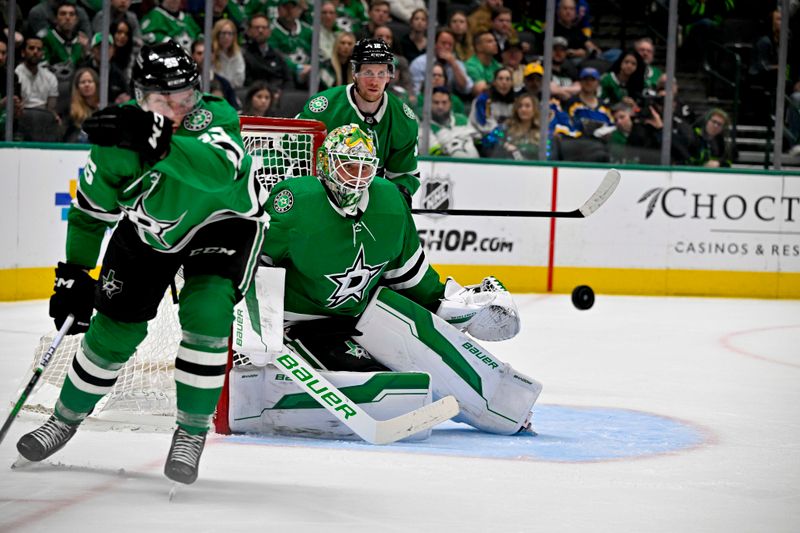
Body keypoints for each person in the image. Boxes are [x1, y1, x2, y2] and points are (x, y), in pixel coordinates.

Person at [16, 41, 267, 486]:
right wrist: (74, 273)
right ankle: (64, 418)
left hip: (223, 224)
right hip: (150, 233)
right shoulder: (116, 142)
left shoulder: (216, 115)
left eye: (184, 97)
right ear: (138, 95)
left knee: (206, 317)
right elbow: (92, 214)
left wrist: (161, 141)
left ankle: (191, 432)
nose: (177, 108)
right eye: (162, 101)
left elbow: (219, 173)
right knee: (113, 332)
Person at [240, 123, 541, 437]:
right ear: (327, 165)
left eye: (364, 167)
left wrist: (456, 307)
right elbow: (250, 262)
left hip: (363, 312)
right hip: (302, 322)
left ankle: (506, 407)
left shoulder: (389, 202)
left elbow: (412, 278)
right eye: (348, 166)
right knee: (397, 394)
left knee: (429, 343)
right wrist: (260, 326)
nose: (356, 177)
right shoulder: (295, 203)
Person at [298, 38, 421, 201]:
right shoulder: (323, 108)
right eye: (368, 72)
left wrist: (398, 196)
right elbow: (292, 152)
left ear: (389, 76)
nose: (375, 81)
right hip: (319, 193)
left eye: (381, 73)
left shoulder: (403, 119)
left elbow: (403, 174)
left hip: (371, 196)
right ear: (355, 73)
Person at [423, 85, 481, 158]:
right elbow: (436, 154)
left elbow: (478, 142)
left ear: (450, 103)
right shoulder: (424, 127)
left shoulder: (462, 119)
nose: (440, 106)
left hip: (476, 164)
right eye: (436, 102)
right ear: (429, 104)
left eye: (444, 102)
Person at [481, 92, 541, 160]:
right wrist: (502, 145)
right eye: (520, 106)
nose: (523, 109)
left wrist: (516, 152)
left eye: (527, 106)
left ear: (535, 109)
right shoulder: (505, 129)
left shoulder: (542, 133)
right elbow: (486, 143)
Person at [469, 66, 516, 134]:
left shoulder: (515, 102)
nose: (504, 82)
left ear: (512, 83)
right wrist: (502, 128)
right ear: (494, 82)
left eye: (508, 79)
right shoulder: (483, 100)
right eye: (500, 79)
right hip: (481, 137)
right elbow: (483, 126)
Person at [62, 66, 99, 142]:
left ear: (96, 85)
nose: (87, 85)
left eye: (90, 81)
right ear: (77, 87)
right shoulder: (70, 111)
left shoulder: (103, 107)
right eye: (83, 82)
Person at [211, 18, 245, 89]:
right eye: (223, 33)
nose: (227, 37)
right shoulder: (210, 52)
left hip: (233, 90)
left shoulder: (237, 54)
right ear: (217, 35)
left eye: (230, 34)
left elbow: (239, 80)